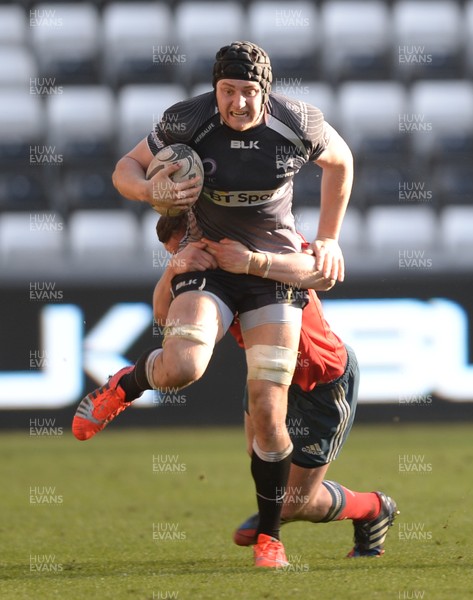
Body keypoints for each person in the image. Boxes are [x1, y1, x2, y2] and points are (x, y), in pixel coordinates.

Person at [72, 41, 354, 568]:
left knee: (270, 413)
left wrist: (330, 237)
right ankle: (125, 386)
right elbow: (124, 169)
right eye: (228, 91)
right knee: (180, 368)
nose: (238, 103)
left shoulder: (299, 123)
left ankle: (271, 539)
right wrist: (149, 190)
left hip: (270, 273)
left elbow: (341, 162)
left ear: (265, 93)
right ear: (215, 88)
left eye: (249, 93)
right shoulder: (188, 121)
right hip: (209, 264)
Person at [153, 216, 399, 559]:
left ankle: (373, 508)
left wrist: (260, 260)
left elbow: (322, 271)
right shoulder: (199, 267)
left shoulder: (271, 240)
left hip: (322, 382)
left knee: (297, 503)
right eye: (177, 251)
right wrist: (173, 270)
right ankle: (274, 525)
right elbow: (164, 317)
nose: (188, 254)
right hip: (266, 373)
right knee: (265, 463)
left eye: (184, 246)